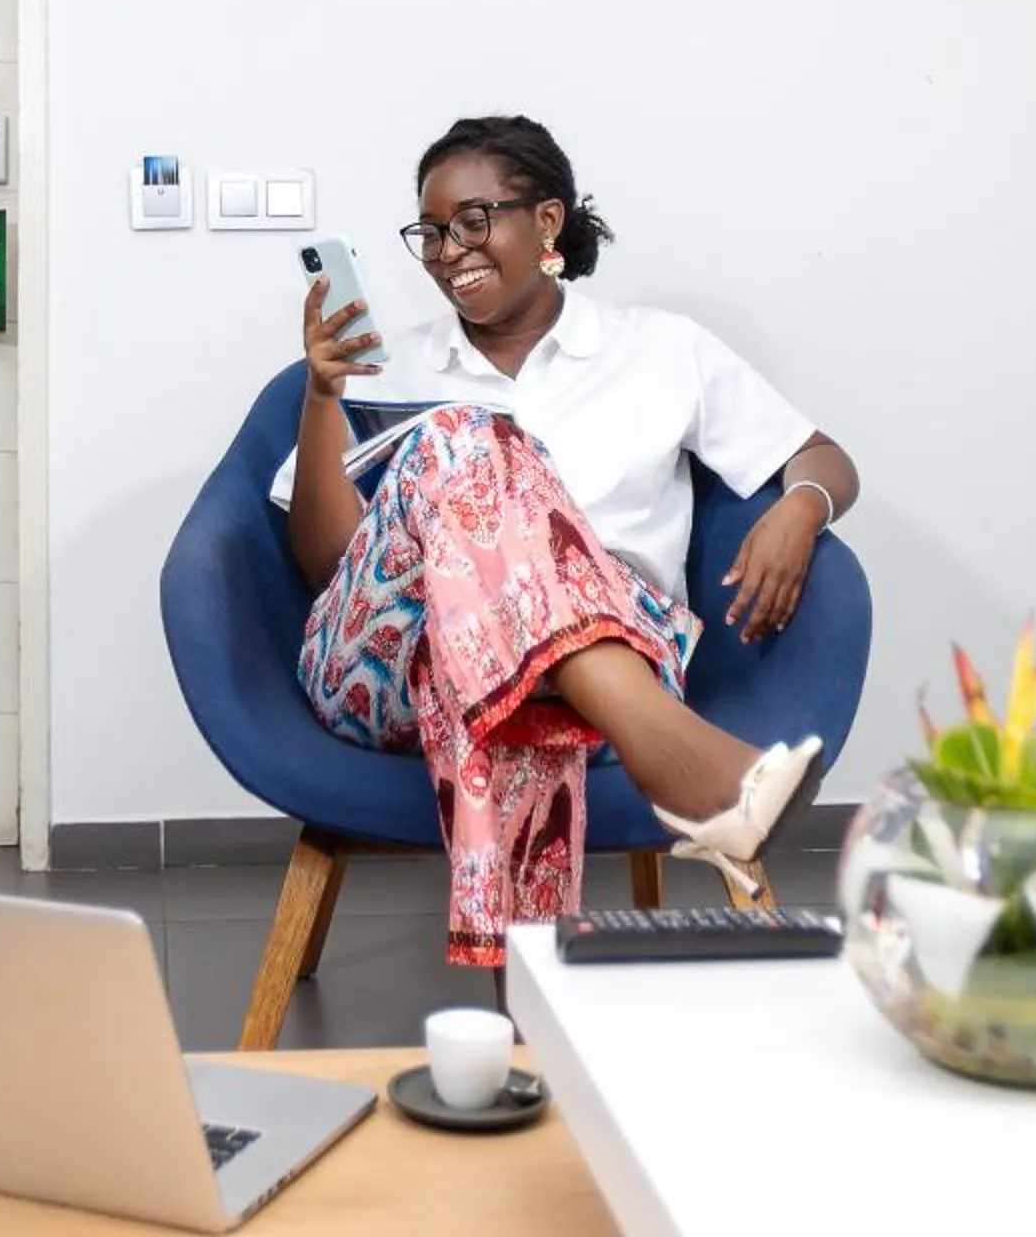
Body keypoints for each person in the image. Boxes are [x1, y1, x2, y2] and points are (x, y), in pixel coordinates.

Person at [273, 115, 861, 965]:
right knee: (473, 440)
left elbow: (822, 458)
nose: (448, 252)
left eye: (473, 221)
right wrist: (323, 397)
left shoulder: (659, 348)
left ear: (546, 223)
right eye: (431, 233)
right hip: (391, 670)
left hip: (589, 668)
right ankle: (683, 764)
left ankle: (530, 1023)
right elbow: (328, 566)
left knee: (522, 673)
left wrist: (800, 509)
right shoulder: (384, 365)